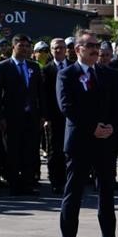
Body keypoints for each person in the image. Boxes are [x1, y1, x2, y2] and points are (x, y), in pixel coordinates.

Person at [58, 33, 118, 237]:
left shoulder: (109, 74)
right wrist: (92, 127)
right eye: (90, 46)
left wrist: (112, 126)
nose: (95, 50)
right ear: (78, 49)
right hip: (80, 142)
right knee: (74, 192)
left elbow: (117, 104)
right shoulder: (67, 74)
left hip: (105, 141)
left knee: (107, 191)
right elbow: (67, 107)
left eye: (97, 46)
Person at [0, 33, 43, 196]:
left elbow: (40, 93)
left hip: (31, 117)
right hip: (11, 118)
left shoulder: (33, 67)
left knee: (30, 151)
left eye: (28, 46)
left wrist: (42, 115)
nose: (25, 49)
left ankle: (27, 184)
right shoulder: (3, 66)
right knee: (12, 152)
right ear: (13, 47)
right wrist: (0, 117)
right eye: (22, 46)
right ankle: (14, 184)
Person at [40, 38, 70, 195]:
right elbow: (44, 96)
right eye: (55, 48)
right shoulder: (46, 70)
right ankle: (55, 181)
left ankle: (69, 180)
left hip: (71, 117)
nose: (58, 50)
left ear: (66, 49)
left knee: (70, 150)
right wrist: (46, 117)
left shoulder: (73, 67)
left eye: (61, 48)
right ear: (51, 51)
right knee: (54, 151)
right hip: (53, 118)